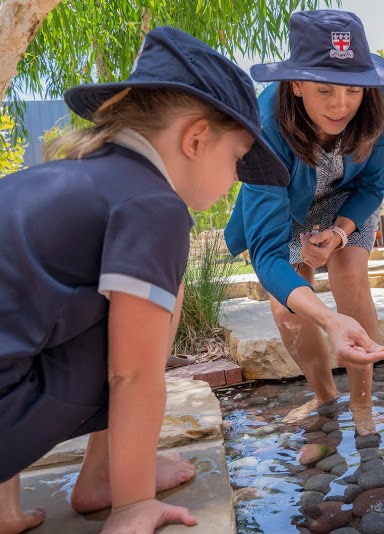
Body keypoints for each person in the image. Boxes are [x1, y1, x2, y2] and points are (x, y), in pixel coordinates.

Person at [0, 26, 351, 534]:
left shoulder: (50, 178)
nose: (237, 179)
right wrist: (135, 504)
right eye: (237, 160)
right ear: (194, 140)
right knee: (155, 311)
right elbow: (132, 375)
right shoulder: (156, 208)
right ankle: (117, 486)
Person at [224, 10, 384, 434]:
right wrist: (326, 320)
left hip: (347, 200)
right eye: (324, 89)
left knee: (350, 277)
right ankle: (325, 398)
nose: (340, 105)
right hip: (286, 205)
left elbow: (373, 183)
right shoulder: (265, 124)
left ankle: (363, 403)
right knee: (289, 307)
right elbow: (268, 255)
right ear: (296, 83)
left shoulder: (380, 102)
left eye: (351, 89)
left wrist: (341, 234)